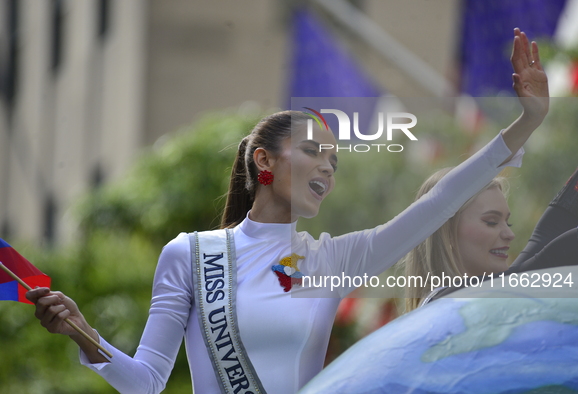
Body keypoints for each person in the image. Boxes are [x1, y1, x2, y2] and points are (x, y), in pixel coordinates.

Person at [26, 28, 548, 394]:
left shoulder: (330, 262)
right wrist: (83, 335)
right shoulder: (190, 255)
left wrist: (526, 122)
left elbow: (439, 203)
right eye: (314, 151)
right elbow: (147, 383)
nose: (328, 168)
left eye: (336, 161)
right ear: (265, 161)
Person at [404, 148, 578, 311]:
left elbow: (552, 230)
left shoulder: (495, 293)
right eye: (491, 222)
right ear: (446, 234)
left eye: (507, 223)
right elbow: (549, 260)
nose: (510, 235)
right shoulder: (441, 304)